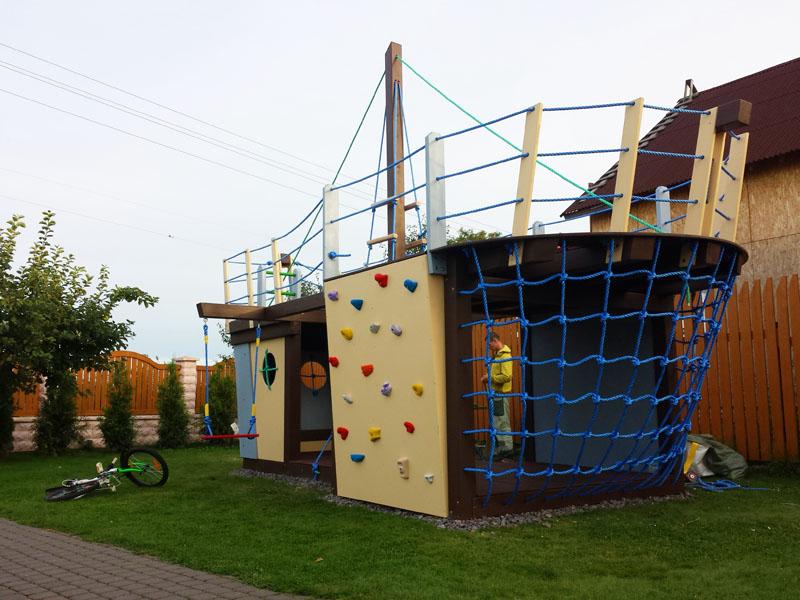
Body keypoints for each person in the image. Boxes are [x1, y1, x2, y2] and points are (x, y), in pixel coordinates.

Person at [481, 331, 514, 457]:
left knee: (501, 421)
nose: (489, 348)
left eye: (490, 345)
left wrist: (490, 378)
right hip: (496, 395)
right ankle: (502, 448)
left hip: (501, 394)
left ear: (495, 341)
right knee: (497, 421)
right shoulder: (497, 356)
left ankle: (507, 448)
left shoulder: (505, 356)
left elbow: (507, 376)